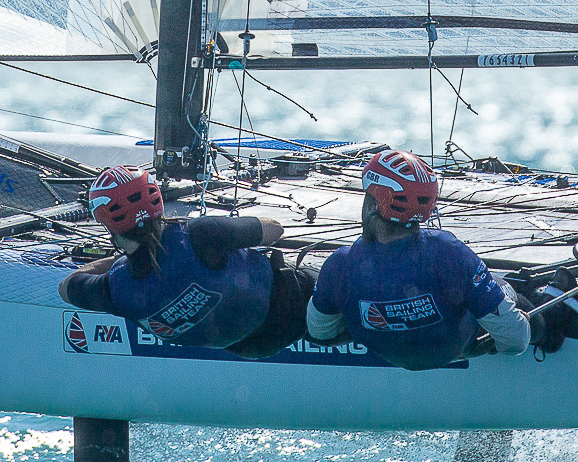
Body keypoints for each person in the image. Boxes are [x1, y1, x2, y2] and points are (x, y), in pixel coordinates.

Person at [307, 149, 535, 370]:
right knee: (501, 285)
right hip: (455, 348)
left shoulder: (340, 265)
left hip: (386, 352)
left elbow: (319, 332)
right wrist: (494, 346)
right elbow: (516, 340)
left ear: (375, 204)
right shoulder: (449, 252)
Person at [59, 165, 317, 359]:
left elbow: (67, 286)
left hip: (254, 347)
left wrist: (123, 257)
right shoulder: (199, 235)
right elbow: (274, 230)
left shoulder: (114, 290)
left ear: (106, 223)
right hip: (295, 307)